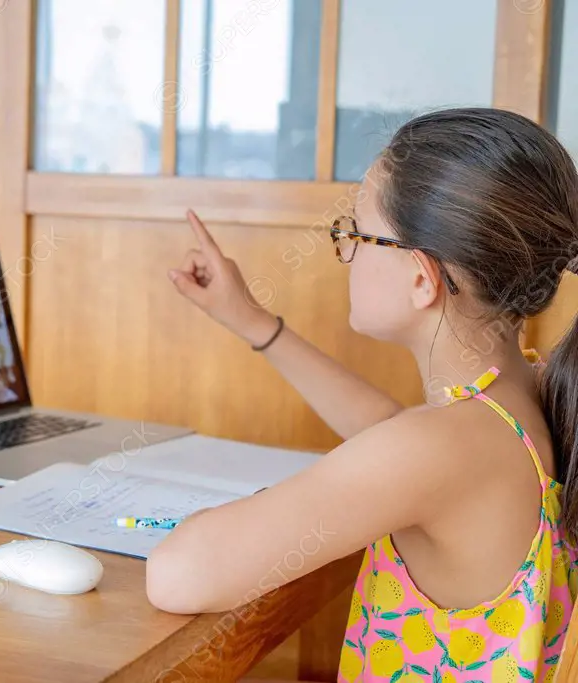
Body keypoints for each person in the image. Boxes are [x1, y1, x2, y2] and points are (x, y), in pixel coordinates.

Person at [146, 108, 578, 680]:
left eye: (356, 233)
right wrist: (253, 323)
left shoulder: (434, 448)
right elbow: (390, 426)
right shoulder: (526, 391)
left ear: (421, 278)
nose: (345, 252)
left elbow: (178, 575)